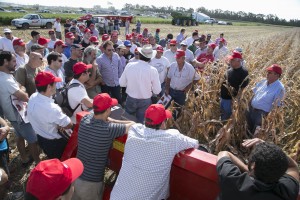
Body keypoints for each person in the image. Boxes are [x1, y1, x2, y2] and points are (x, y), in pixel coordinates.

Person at [110, 104, 199, 200]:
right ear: (162, 123)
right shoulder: (172, 138)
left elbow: (133, 125)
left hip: (116, 196)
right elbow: (195, 143)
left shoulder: (134, 130)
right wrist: (179, 147)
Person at [73, 93, 135, 200]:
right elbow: (132, 125)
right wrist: (113, 120)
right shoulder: (109, 129)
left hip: (76, 176)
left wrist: (108, 119)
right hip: (91, 184)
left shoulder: (85, 120)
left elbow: (95, 117)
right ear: (107, 110)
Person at [217, 138, 299, 200]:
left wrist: (248, 169)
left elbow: (224, 154)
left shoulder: (232, 179)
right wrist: (272, 149)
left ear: (253, 165)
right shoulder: (287, 191)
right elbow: (293, 167)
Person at [0, 51, 40, 164]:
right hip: (19, 115)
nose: (16, 63)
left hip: (13, 115)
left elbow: (19, 87)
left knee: (19, 136)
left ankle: (24, 158)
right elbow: (24, 97)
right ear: (5, 62)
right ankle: (38, 163)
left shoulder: (5, 76)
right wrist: (23, 90)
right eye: (13, 61)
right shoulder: (6, 80)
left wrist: (20, 88)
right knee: (32, 140)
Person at [27, 71, 73, 159]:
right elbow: (69, 124)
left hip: (41, 138)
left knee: (51, 157)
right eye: (55, 83)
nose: (56, 86)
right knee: (61, 161)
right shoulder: (52, 108)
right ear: (49, 87)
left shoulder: (33, 96)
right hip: (55, 144)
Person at [119, 45, 161, 123]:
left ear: (140, 54)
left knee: (128, 121)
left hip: (131, 98)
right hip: (145, 100)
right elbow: (157, 91)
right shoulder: (153, 70)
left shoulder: (129, 65)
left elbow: (122, 83)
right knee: (141, 123)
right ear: (150, 57)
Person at [247, 64, 285, 134]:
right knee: (247, 130)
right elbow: (253, 93)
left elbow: (277, 106)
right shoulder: (263, 82)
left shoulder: (280, 88)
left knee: (256, 135)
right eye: (268, 72)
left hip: (262, 115)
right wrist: (248, 106)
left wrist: (268, 119)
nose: (267, 74)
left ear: (277, 75)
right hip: (251, 110)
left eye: (270, 73)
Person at [165, 50, 200, 118]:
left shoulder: (189, 68)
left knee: (178, 110)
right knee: (168, 109)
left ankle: (175, 124)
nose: (176, 59)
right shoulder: (173, 65)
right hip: (171, 91)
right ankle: (167, 122)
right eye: (176, 58)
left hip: (181, 93)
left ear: (183, 58)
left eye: (178, 58)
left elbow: (197, 78)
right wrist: (166, 89)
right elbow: (168, 78)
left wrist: (188, 87)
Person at [220, 51, 249, 120]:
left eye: (232, 60)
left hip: (231, 100)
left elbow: (243, 89)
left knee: (228, 118)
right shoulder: (229, 70)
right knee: (222, 114)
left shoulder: (243, 72)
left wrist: (236, 101)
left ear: (238, 61)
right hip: (223, 98)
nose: (230, 61)